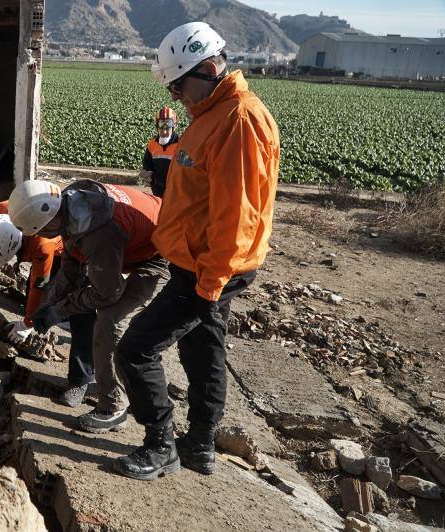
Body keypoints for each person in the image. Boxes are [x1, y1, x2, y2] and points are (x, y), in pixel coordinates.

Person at [112, 21, 280, 481]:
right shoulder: (211, 114)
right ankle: (200, 445)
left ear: (206, 69)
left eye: (179, 84)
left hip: (210, 267)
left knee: (136, 350)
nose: (177, 96)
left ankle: (160, 446)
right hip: (197, 260)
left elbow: (238, 215)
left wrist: (209, 285)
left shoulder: (238, 121)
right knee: (202, 350)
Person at [8, 179, 168, 433]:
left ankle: (113, 407)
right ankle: (119, 385)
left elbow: (107, 293)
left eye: (41, 232)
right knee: (93, 306)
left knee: (109, 322)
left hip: (160, 251)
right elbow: (71, 269)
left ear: (49, 222)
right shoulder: (71, 205)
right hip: (137, 237)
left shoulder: (97, 231)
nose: (42, 237)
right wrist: (48, 304)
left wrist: (59, 311)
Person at [0, 201, 96, 407]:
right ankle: (57, 314)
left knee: (81, 314)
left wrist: (28, 323)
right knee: (37, 299)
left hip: (85, 249)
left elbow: (40, 284)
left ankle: (81, 380)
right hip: (51, 238)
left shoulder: (42, 244)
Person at [140, 106, 180, 198]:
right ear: (157, 127)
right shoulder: (152, 144)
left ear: (174, 127)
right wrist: (147, 174)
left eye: (167, 129)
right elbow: (147, 165)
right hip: (157, 188)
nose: (164, 132)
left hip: (175, 189)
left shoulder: (181, 144)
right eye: (161, 129)